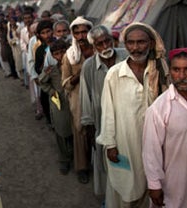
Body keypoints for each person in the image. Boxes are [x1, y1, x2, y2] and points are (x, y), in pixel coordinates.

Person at [96, 22, 169, 207]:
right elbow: (108, 112)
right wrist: (110, 144)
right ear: (125, 44)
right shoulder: (114, 74)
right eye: (131, 42)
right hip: (124, 142)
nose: (135, 48)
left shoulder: (159, 71)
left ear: (151, 44)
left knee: (153, 183)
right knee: (125, 186)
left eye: (141, 42)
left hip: (155, 142)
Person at [142, 47, 187, 207]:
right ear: (170, 71)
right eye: (176, 70)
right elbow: (150, 150)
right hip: (177, 183)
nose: (182, 76)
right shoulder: (160, 107)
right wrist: (154, 185)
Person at [79, 25, 128, 196]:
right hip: (103, 123)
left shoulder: (126, 57)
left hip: (128, 120)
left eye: (108, 41)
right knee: (107, 162)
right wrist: (90, 128)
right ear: (94, 47)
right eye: (100, 44)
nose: (105, 47)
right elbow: (86, 98)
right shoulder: (88, 66)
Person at [61, 16, 93, 184]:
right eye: (77, 32)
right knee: (80, 132)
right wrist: (80, 75)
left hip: (97, 96)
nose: (81, 36)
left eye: (84, 32)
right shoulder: (69, 56)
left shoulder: (98, 49)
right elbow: (65, 83)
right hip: (78, 98)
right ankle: (82, 168)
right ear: (73, 34)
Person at [38, 39, 73, 175]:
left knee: (75, 131)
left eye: (63, 52)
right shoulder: (51, 70)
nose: (60, 56)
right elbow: (42, 82)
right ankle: (64, 160)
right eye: (57, 54)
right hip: (60, 104)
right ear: (52, 56)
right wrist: (52, 92)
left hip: (73, 102)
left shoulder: (72, 66)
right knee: (61, 131)